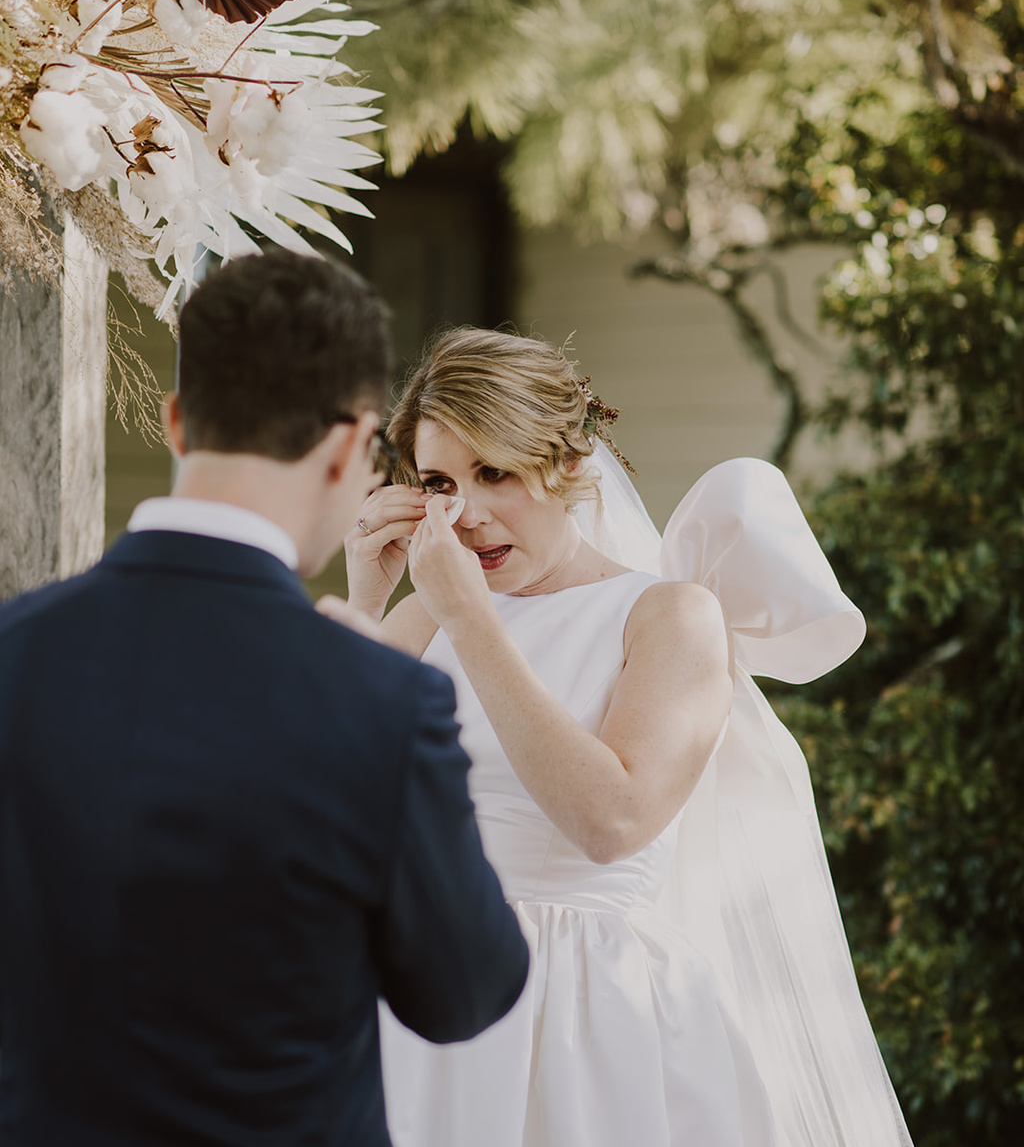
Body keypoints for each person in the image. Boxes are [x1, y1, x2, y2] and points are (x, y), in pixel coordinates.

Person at [0, 252, 529, 1147]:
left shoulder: (13, 653)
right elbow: (467, 990)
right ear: (348, 449)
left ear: (175, 423)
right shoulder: (383, 701)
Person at [339, 325, 915, 1147]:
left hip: (576, 1016)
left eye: (494, 470)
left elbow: (610, 820)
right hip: (414, 997)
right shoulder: (429, 613)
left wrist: (470, 619)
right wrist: (366, 601)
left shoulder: (669, 616)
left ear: (571, 465)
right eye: (439, 482)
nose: (464, 514)